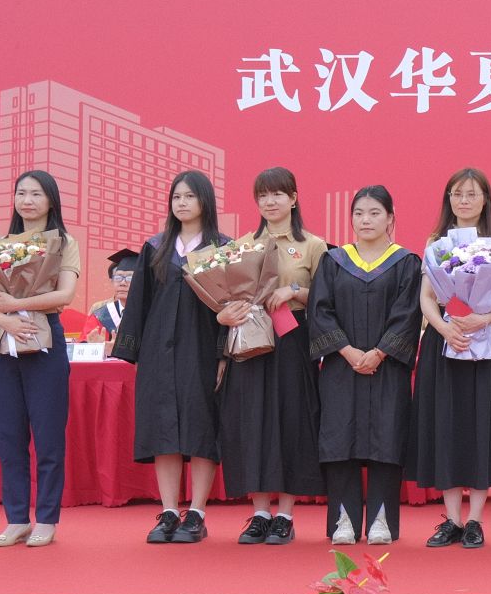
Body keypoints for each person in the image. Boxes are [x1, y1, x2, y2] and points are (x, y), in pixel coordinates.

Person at [112, 170, 227, 544]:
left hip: (202, 350)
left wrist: (224, 355)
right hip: (159, 352)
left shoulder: (223, 249)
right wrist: (134, 352)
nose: (182, 203)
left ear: (204, 201)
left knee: (201, 428)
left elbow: (232, 304)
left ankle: (196, 512)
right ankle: (168, 511)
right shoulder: (156, 247)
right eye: (177, 197)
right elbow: (139, 304)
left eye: (190, 196)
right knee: (164, 430)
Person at [307, 185, 423, 547]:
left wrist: (379, 352)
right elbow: (319, 311)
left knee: (386, 439)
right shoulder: (334, 261)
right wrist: (346, 351)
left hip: (387, 368)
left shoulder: (406, 263)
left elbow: (408, 314)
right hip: (342, 368)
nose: (366, 220)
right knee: (339, 441)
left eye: (374, 213)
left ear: (390, 218)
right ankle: (343, 519)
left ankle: (380, 520)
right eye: (359, 213)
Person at [219, 167, 328, 545]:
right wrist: (227, 309)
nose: (270, 202)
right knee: (253, 422)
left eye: (278, 194)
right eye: (263, 195)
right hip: (251, 339)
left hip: (292, 338)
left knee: (290, 420)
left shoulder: (313, 245)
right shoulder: (241, 245)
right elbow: (226, 292)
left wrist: (294, 290)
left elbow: (327, 297)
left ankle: (285, 515)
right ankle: (260, 513)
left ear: (293, 198)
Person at [412, 167, 491, 548]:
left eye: (472, 194)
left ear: (485, 199)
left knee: (481, 424)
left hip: (486, 339)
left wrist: (484, 319)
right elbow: (427, 296)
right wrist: (444, 329)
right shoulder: (437, 241)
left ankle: (475, 520)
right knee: (447, 425)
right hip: (446, 342)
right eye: (457, 194)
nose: (464, 200)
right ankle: (452, 520)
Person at [0, 170, 82, 549]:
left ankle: (47, 518)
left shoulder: (64, 243)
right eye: (21, 193)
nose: (27, 200)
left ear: (51, 200)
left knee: (48, 437)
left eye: (36, 194)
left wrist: (16, 305)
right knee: (9, 437)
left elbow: (65, 295)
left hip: (46, 343)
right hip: (4, 343)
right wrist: (4, 318)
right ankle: (17, 519)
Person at [86, 250, 137, 341]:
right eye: (118, 277)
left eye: (130, 278)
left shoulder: (152, 314)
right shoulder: (100, 315)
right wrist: (98, 346)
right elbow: (84, 341)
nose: (122, 283)